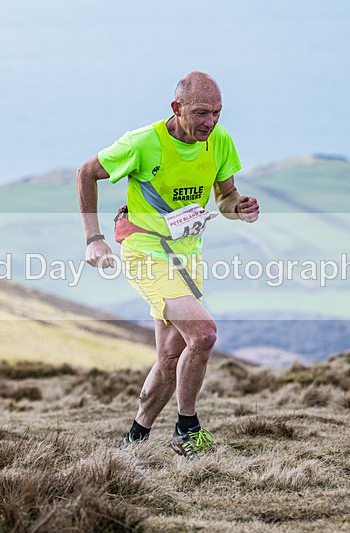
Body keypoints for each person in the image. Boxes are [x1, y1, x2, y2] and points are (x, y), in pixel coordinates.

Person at [77, 71, 259, 458]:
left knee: (171, 358)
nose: (209, 123)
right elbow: (87, 172)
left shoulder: (219, 141)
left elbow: (226, 198)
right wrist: (94, 238)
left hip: (187, 256)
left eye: (217, 113)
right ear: (176, 109)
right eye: (200, 113)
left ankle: (133, 441)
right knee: (205, 334)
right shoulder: (144, 143)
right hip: (145, 251)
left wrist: (238, 208)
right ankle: (187, 429)